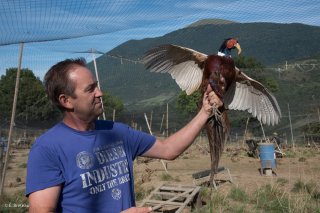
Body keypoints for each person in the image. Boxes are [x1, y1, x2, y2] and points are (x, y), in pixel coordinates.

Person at [26, 58, 223, 213]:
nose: (100, 93)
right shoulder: (47, 148)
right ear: (66, 101)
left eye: (97, 85)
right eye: (90, 89)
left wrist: (204, 112)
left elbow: (168, 149)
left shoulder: (117, 132)